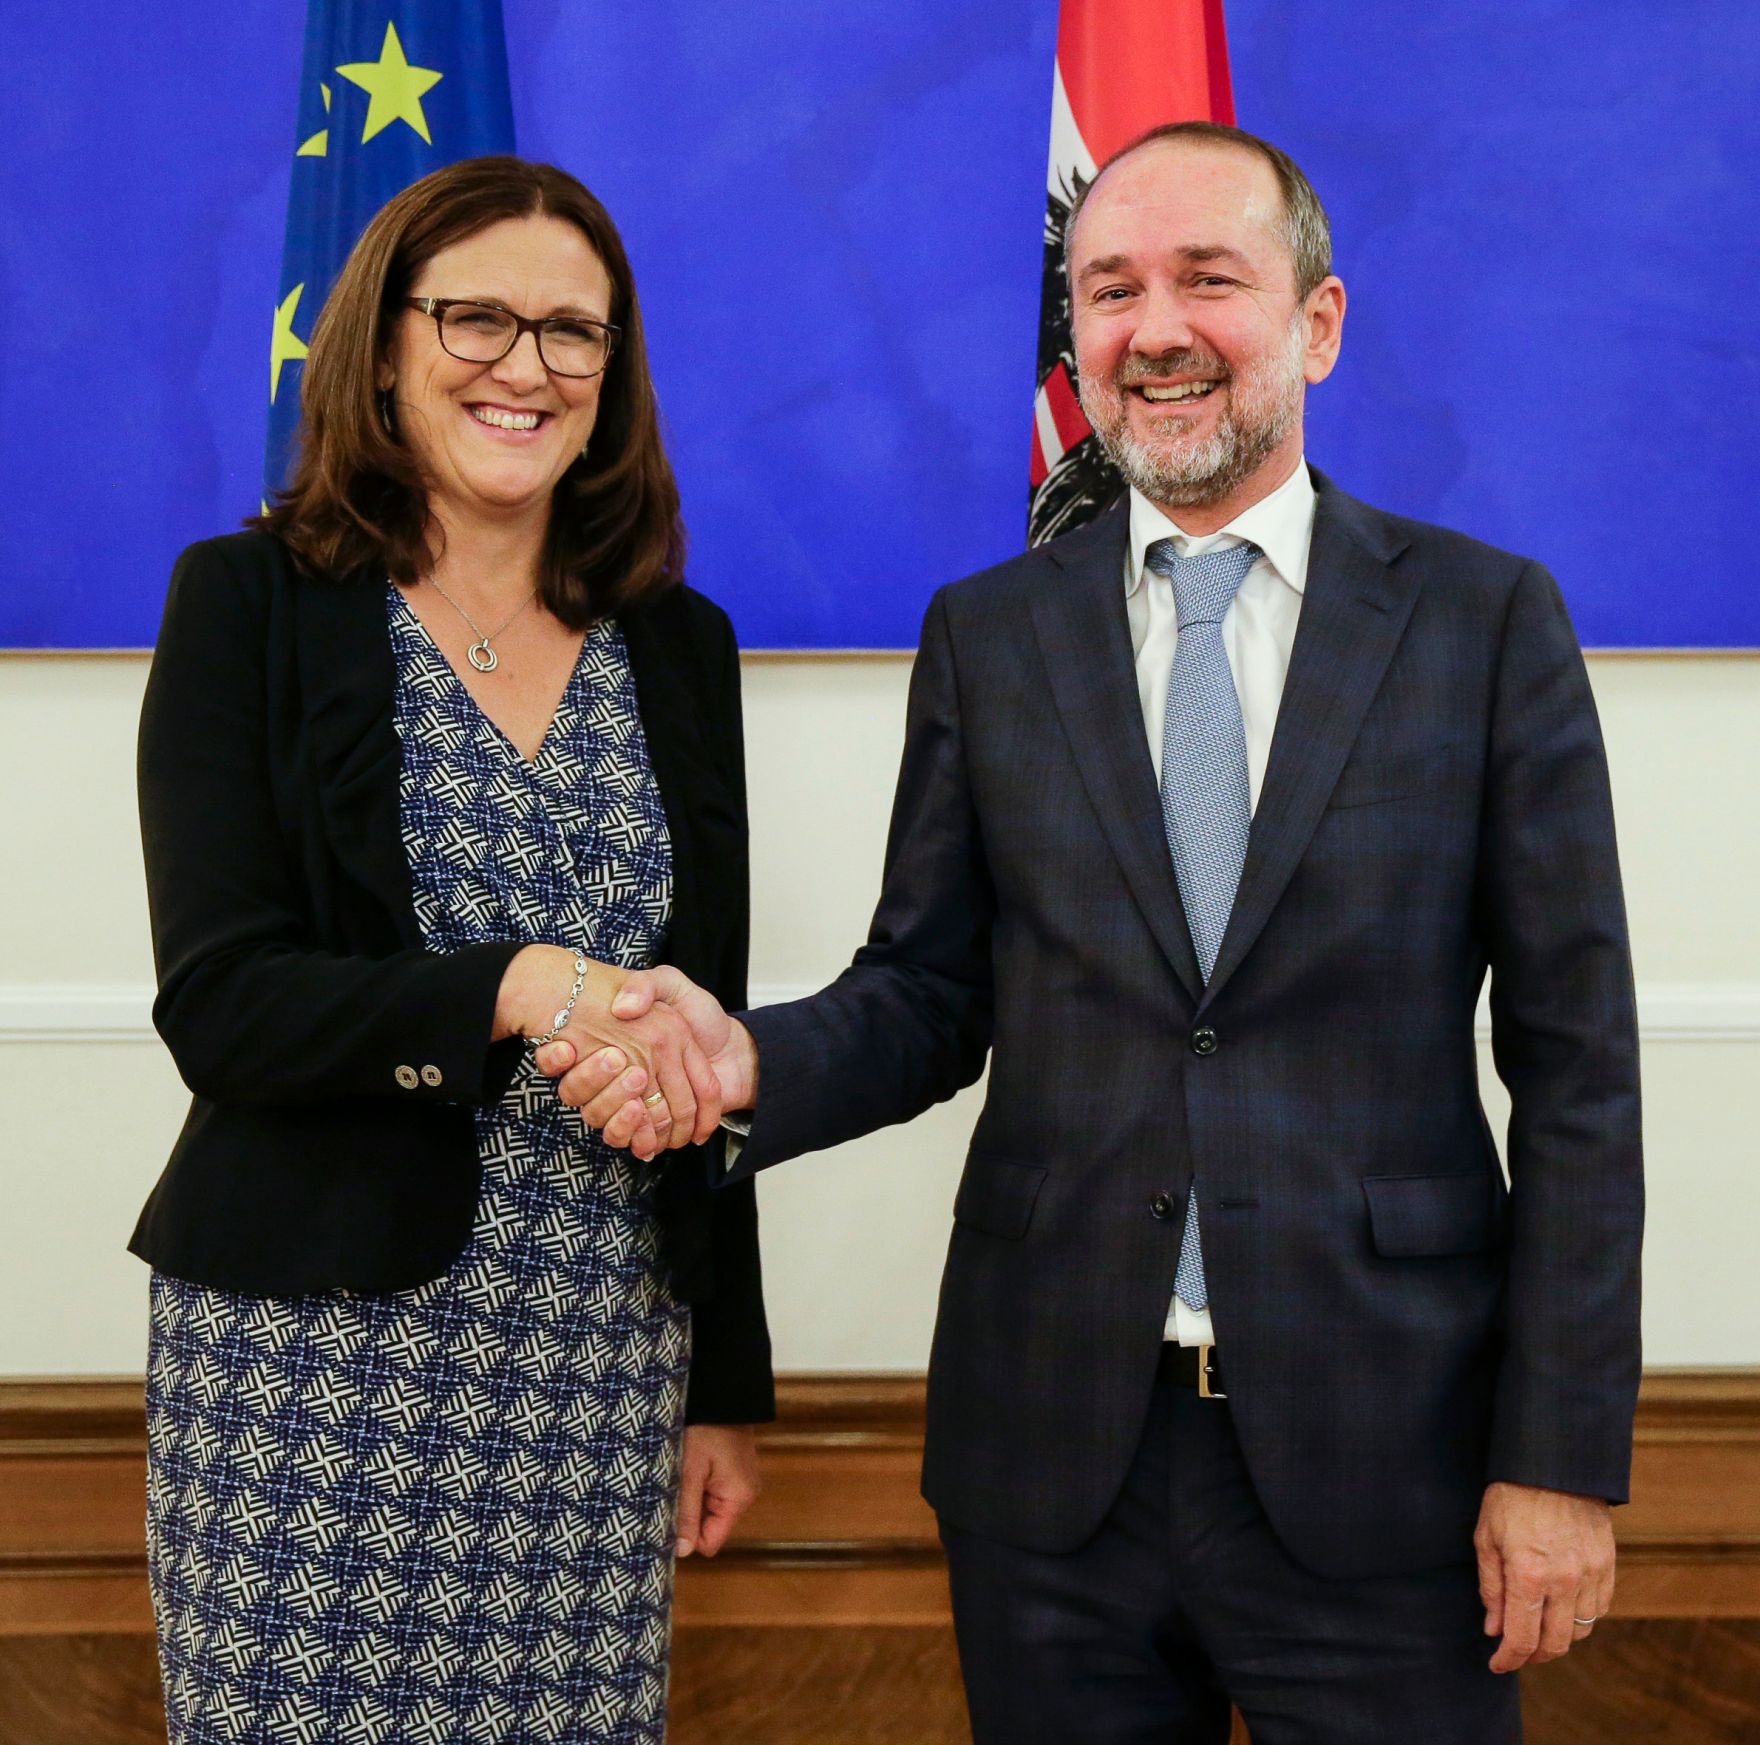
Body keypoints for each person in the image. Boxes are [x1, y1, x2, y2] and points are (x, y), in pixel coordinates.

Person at [550, 123, 1643, 1743]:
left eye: (1211, 277)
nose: (1158, 328)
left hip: (1387, 1461)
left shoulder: (1486, 623)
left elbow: (1577, 1070)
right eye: (1110, 289)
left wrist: (1556, 1455)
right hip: (1052, 1463)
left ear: (1318, 323)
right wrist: (746, 1062)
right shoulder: (991, 636)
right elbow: (927, 991)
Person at [131, 155, 767, 1745]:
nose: (526, 365)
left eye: (575, 332)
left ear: (613, 372)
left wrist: (725, 1383)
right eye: (477, 317)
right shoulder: (250, 605)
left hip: (601, 1366)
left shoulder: (679, 647)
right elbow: (224, 1004)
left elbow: (709, 1030)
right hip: (313, 1375)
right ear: (386, 342)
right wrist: (512, 984)